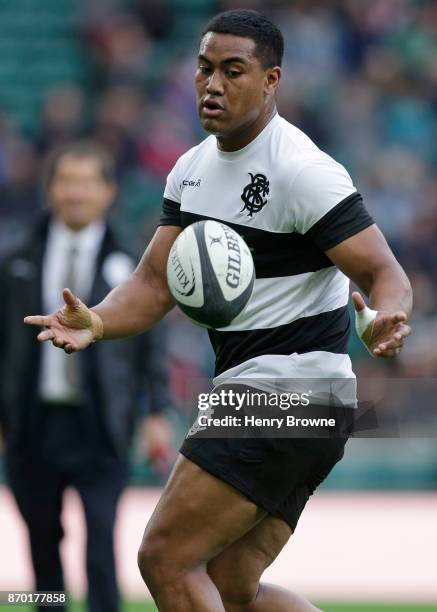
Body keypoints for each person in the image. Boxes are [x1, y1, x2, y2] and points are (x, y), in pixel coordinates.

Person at [24, 11, 413, 612]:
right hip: (303, 401)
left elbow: (384, 271)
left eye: (234, 71)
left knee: (164, 557)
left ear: (271, 80)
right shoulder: (191, 171)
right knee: (231, 587)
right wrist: (97, 320)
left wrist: (386, 317)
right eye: (205, 68)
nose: (213, 85)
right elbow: (153, 283)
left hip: (283, 391)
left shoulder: (303, 171)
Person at [0, 141, 172, 612]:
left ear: (108, 191)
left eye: (85, 182)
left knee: (101, 544)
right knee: (41, 541)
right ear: (50, 187)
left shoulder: (134, 265)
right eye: (66, 181)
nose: (75, 193)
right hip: (33, 424)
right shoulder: (16, 258)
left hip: (102, 422)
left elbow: (151, 343)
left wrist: (157, 413)